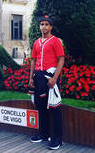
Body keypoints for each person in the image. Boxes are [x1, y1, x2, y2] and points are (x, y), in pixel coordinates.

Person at [29, 15, 65, 150]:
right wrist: (30, 78)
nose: (43, 27)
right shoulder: (37, 42)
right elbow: (33, 60)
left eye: (46, 24)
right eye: (41, 24)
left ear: (51, 27)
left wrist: (55, 78)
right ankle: (43, 134)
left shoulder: (55, 41)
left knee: (55, 108)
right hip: (38, 77)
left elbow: (61, 59)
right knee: (41, 106)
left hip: (50, 77)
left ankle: (58, 139)